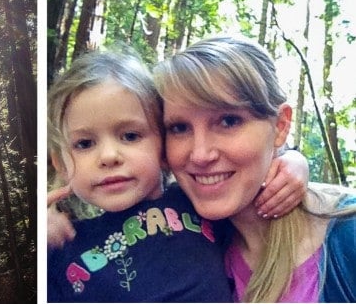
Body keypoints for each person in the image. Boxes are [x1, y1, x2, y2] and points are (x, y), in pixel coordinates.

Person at [45, 48, 308, 302]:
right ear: (61, 163)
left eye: (130, 136)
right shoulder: (61, 247)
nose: (108, 156)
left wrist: (292, 161)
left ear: (163, 148)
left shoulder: (197, 201)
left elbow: (246, 181)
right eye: (84, 144)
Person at [152, 35, 356, 302]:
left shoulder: (346, 235)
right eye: (179, 128)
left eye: (228, 121)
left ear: (280, 126)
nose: (201, 154)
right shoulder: (179, 232)